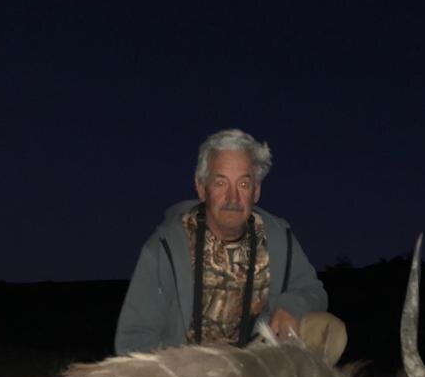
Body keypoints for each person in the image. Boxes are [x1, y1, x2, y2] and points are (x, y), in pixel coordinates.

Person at [115, 128, 327, 354]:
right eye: (220, 183)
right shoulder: (164, 249)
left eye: (243, 185)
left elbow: (314, 291)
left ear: (256, 191)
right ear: (201, 188)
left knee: (328, 329)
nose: (233, 198)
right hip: (187, 375)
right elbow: (132, 340)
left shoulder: (279, 239)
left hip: (254, 371)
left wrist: (292, 306)